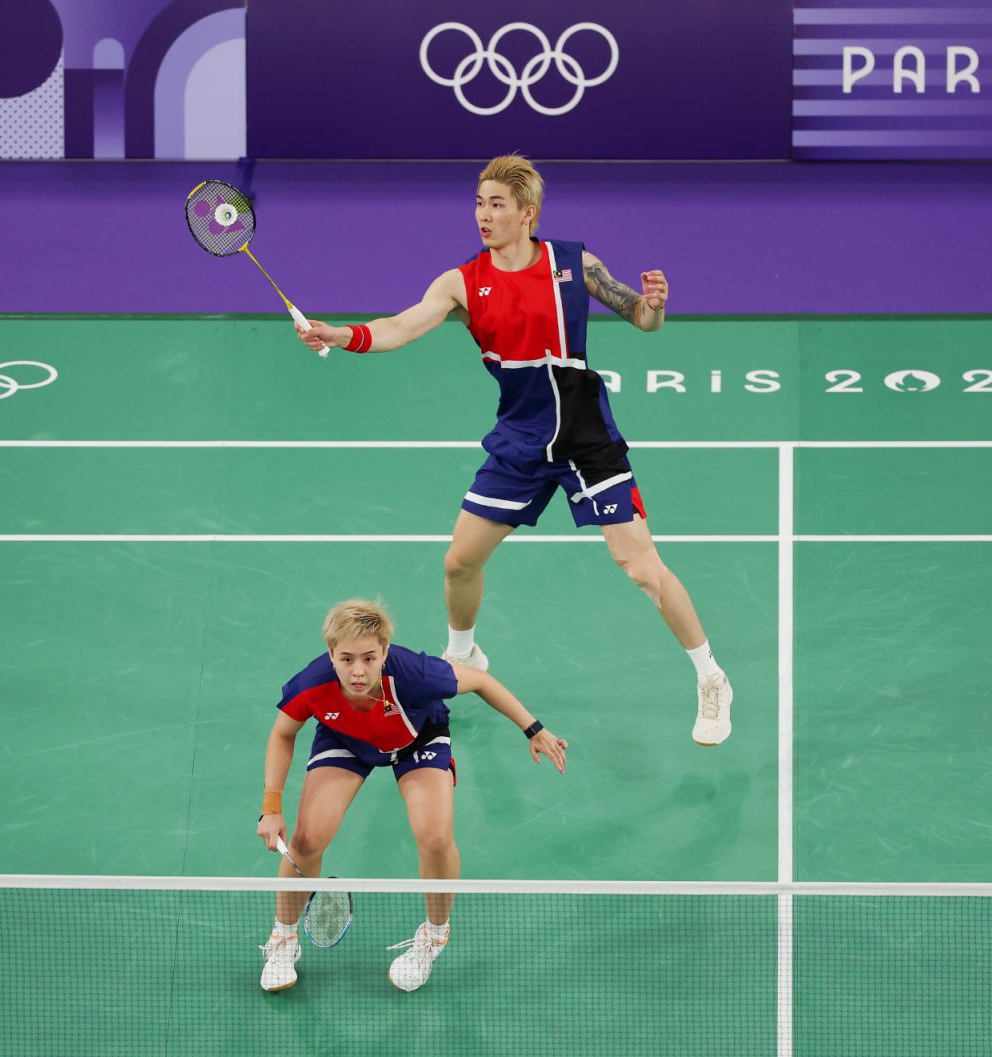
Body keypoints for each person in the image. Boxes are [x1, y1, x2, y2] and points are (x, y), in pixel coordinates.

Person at [297, 155, 732, 746]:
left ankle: (711, 677)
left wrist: (653, 305)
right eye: (479, 203)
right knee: (459, 562)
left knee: (641, 568)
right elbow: (399, 327)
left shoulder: (573, 265)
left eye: (496, 204)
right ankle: (462, 656)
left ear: (527, 214)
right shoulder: (461, 282)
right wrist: (339, 334)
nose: (483, 215)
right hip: (521, 440)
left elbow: (639, 317)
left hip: (586, 440)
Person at [255, 598, 567, 993]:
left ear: (385, 652)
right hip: (347, 739)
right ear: (331, 654)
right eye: (347, 658)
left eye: (369, 658)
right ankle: (283, 939)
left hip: (416, 738)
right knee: (306, 839)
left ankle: (434, 936)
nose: (358, 671)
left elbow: (482, 681)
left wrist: (533, 729)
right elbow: (283, 733)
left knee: (434, 838)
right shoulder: (312, 684)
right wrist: (270, 807)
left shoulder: (416, 675)